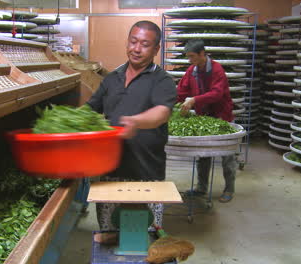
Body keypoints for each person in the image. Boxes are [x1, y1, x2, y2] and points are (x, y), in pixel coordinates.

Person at [86, 20, 177, 242]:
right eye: (133, 41)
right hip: (110, 170)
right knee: (109, 235)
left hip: (146, 173)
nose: (136, 48)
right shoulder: (111, 78)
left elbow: (161, 113)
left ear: (156, 50)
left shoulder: (162, 80)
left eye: (145, 44)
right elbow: (89, 109)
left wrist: (136, 122)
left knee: (142, 237)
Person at [176, 39, 237, 203]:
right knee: (203, 154)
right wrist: (168, 102)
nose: (190, 60)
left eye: (192, 56)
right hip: (204, 118)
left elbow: (217, 94)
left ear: (203, 54)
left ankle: (229, 189)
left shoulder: (217, 70)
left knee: (227, 156)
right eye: (188, 57)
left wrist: (194, 100)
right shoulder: (192, 71)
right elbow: (181, 91)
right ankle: (201, 188)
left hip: (222, 117)